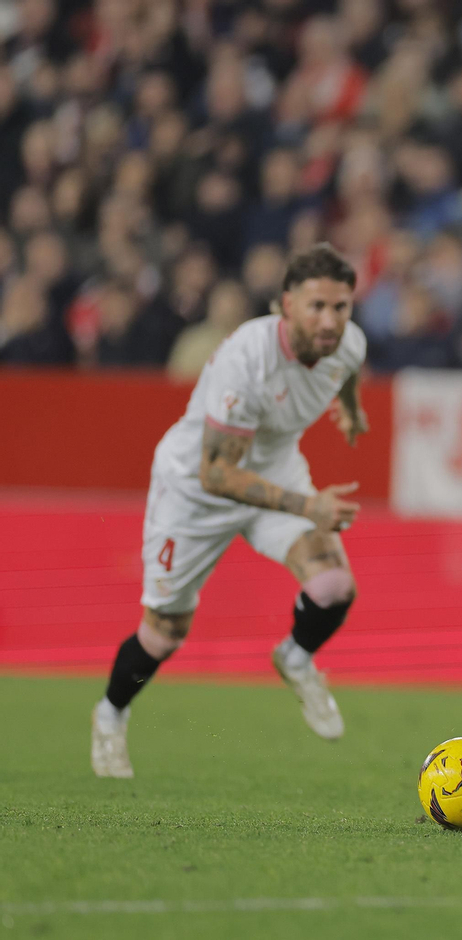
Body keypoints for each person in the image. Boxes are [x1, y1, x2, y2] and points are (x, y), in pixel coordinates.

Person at [91, 244, 370, 778]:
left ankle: (294, 657)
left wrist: (350, 412)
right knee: (164, 632)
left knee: (334, 586)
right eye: (317, 307)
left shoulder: (347, 344)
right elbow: (216, 473)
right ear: (284, 306)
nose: (331, 320)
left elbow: (350, 368)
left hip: (276, 473)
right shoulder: (247, 361)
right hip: (195, 493)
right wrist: (309, 505)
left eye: (341, 307)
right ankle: (110, 714)